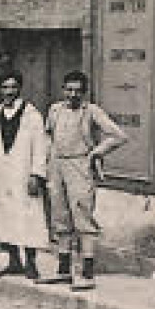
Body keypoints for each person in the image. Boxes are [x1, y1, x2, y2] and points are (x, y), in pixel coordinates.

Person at [41, 70, 128, 290]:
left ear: (84, 93)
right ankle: (63, 271)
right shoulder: (55, 110)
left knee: (82, 217)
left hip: (79, 166)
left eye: (77, 91)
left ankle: (88, 273)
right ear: (63, 90)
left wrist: (96, 153)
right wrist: (46, 164)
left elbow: (118, 136)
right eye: (69, 90)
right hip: (56, 165)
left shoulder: (91, 112)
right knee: (60, 217)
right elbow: (48, 136)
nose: (72, 95)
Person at [0, 71, 50, 278]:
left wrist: (36, 174)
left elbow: (40, 146)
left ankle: (31, 263)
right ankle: (13, 260)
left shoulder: (32, 115)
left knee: (28, 217)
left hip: (22, 174)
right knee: (3, 216)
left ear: (20, 89)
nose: (9, 92)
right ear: (0, 89)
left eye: (13, 87)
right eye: (5, 87)